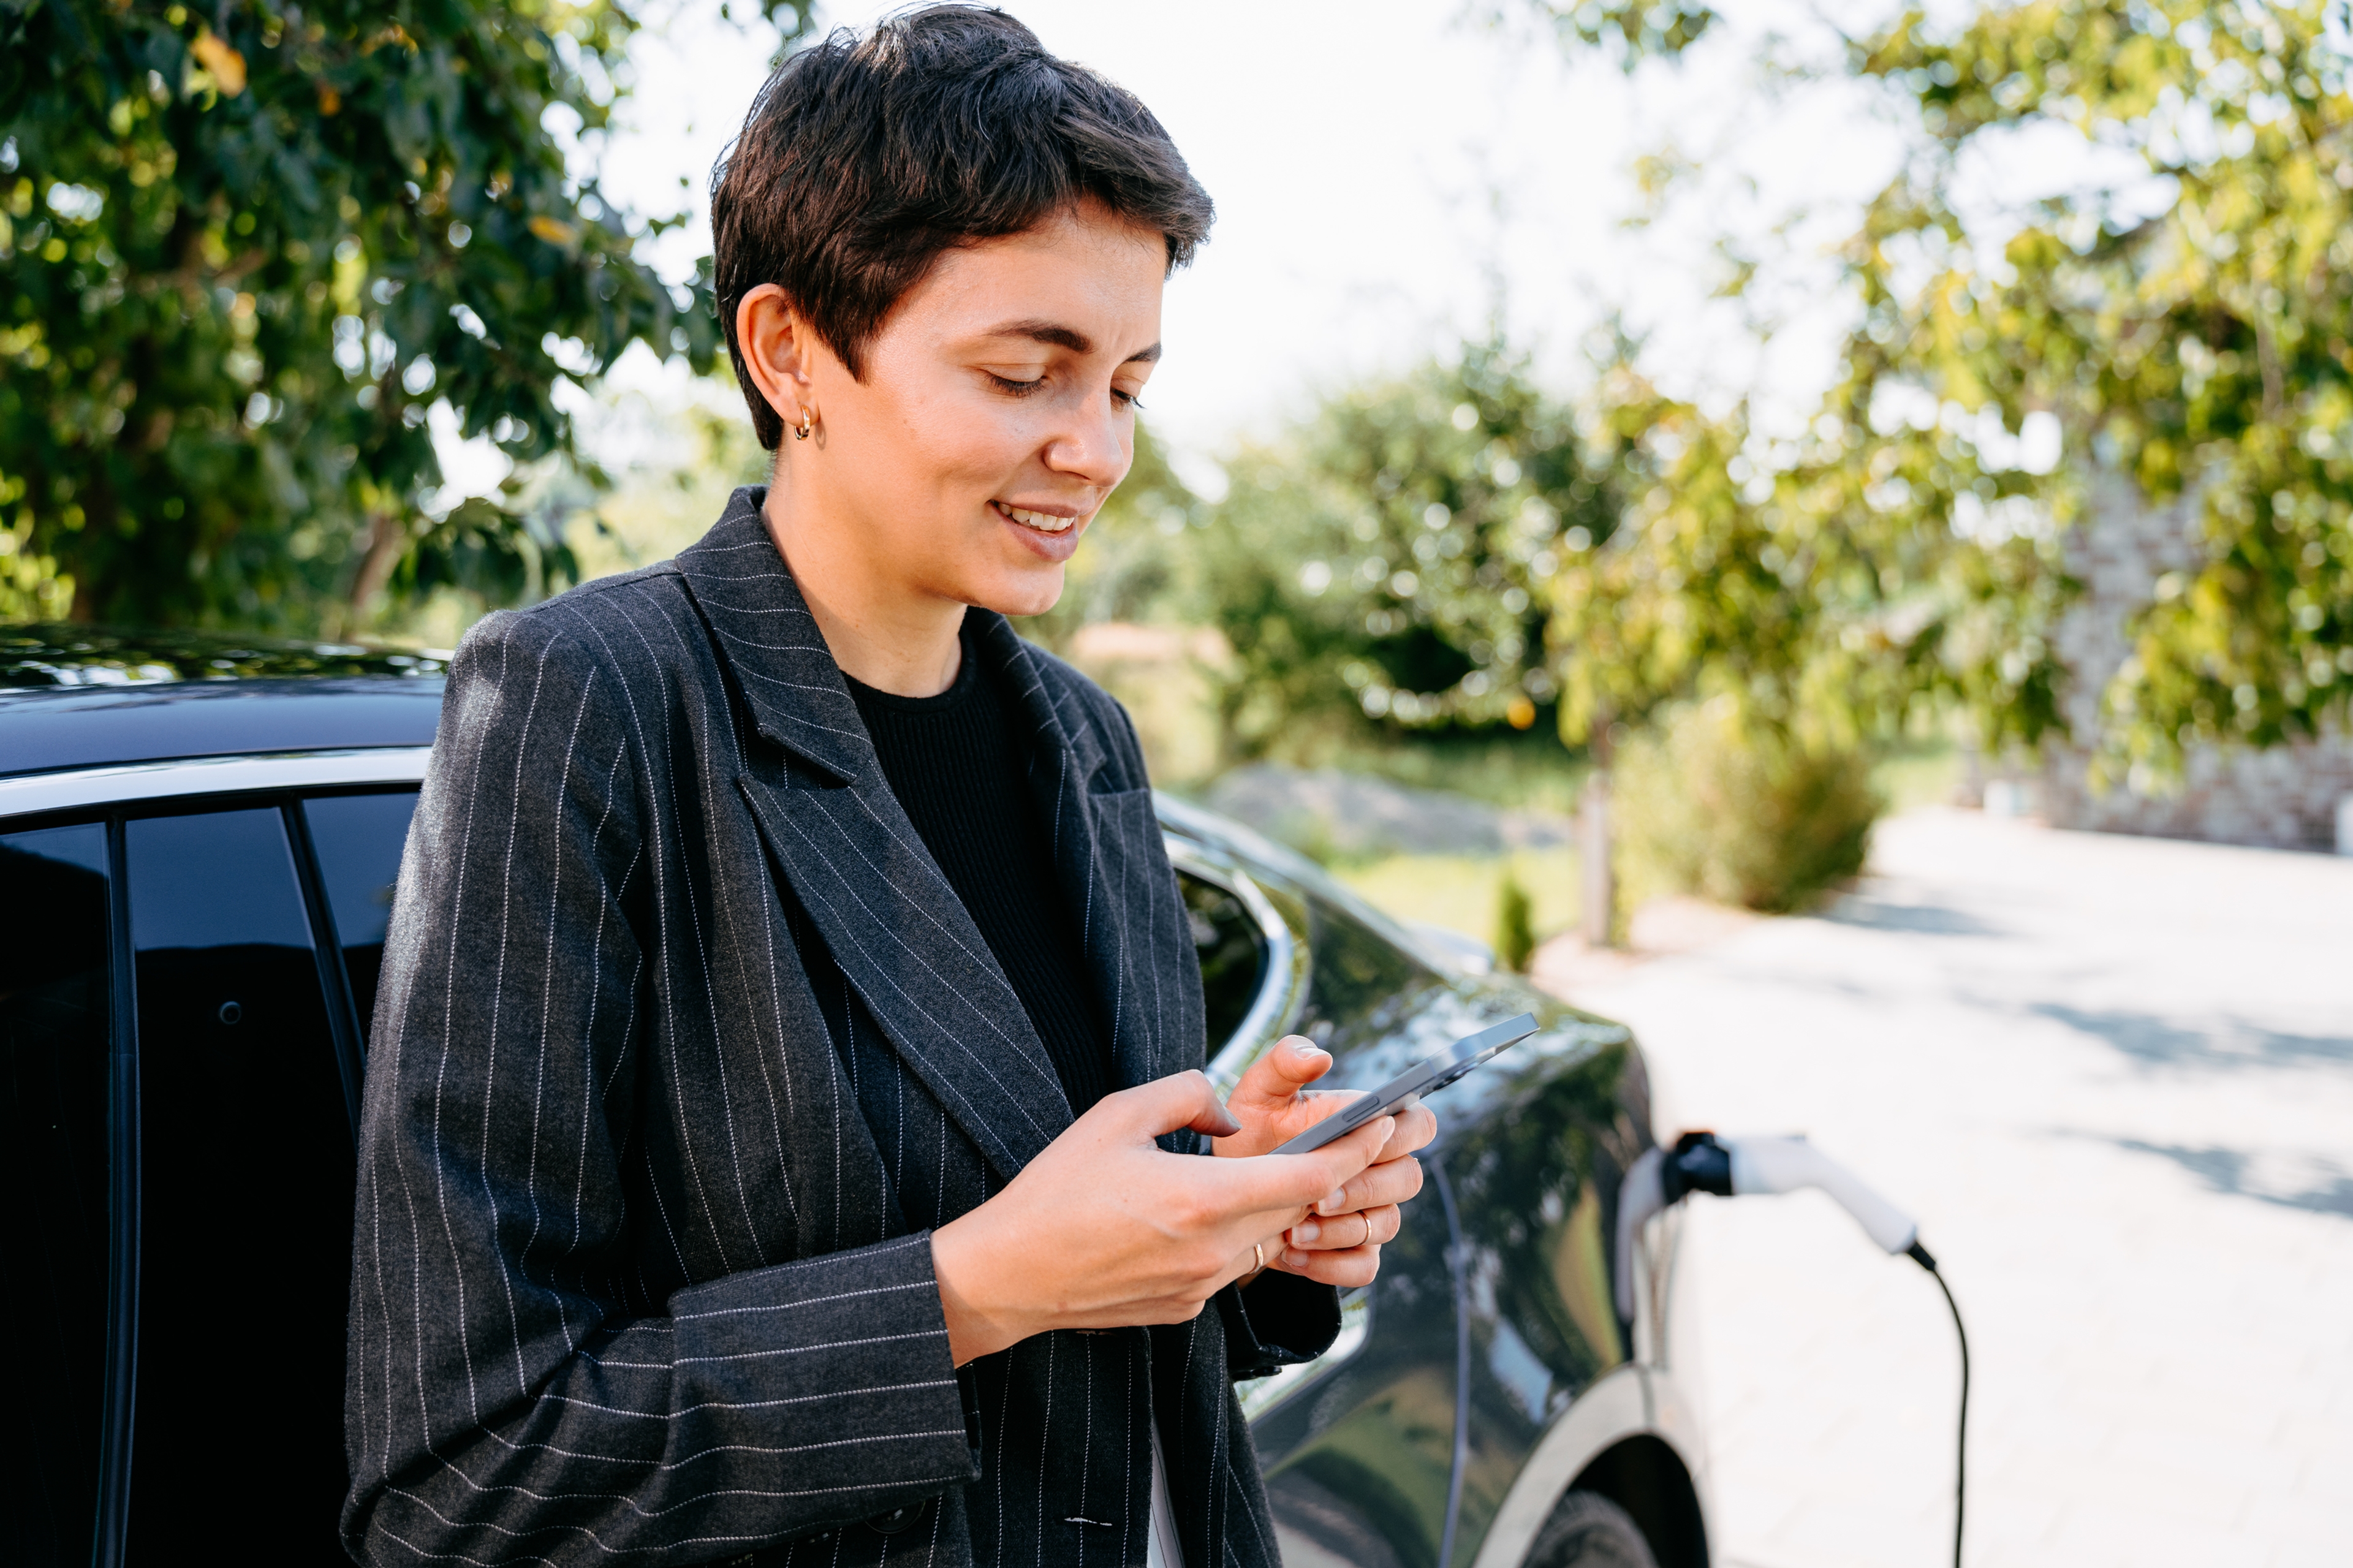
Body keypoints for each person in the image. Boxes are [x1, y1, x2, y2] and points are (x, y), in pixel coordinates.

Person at [340, 8, 1437, 1566]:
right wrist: (979, 1282)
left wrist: (1249, 1234)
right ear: (791, 351)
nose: (1096, 450)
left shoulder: (1086, 745)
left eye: (1126, 386)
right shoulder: (588, 709)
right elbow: (461, 1481)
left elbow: (1104, 1333)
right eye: (1023, 374)